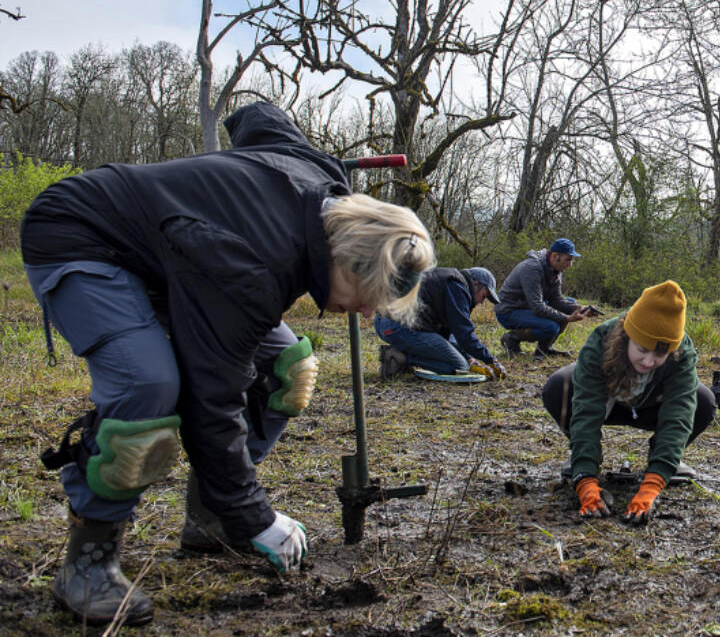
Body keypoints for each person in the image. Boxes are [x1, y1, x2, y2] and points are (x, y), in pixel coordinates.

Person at [20, 102, 434, 626]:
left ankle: (209, 519)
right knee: (149, 386)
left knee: (290, 368)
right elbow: (210, 401)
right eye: (369, 293)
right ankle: (89, 560)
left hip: (180, 253)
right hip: (80, 234)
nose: (368, 311)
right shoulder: (251, 272)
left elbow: (259, 118)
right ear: (345, 258)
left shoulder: (321, 179)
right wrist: (256, 517)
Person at [541, 281, 715, 524]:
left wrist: (653, 484)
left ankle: (664, 461)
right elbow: (586, 409)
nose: (648, 361)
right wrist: (585, 479)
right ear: (627, 336)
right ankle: (585, 457)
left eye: (659, 355)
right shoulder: (602, 340)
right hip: (607, 404)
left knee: (703, 400)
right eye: (642, 349)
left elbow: (680, 412)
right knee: (559, 386)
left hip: (651, 407)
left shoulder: (683, 352)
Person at [374, 266, 507, 380]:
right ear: (476, 284)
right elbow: (464, 334)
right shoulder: (458, 288)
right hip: (398, 326)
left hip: (386, 323)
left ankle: (400, 354)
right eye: (484, 296)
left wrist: (469, 358)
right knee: (459, 366)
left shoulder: (450, 281)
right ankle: (400, 358)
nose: (482, 302)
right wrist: (491, 360)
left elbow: (449, 335)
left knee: (461, 360)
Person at [496, 238, 595, 358]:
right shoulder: (532, 268)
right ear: (554, 256)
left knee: (571, 303)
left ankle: (544, 350)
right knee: (551, 326)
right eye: (568, 260)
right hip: (509, 311)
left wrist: (581, 308)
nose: (570, 265)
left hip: (527, 307)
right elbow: (537, 306)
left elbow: (557, 301)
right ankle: (511, 339)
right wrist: (566, 317)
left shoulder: (556, 270)